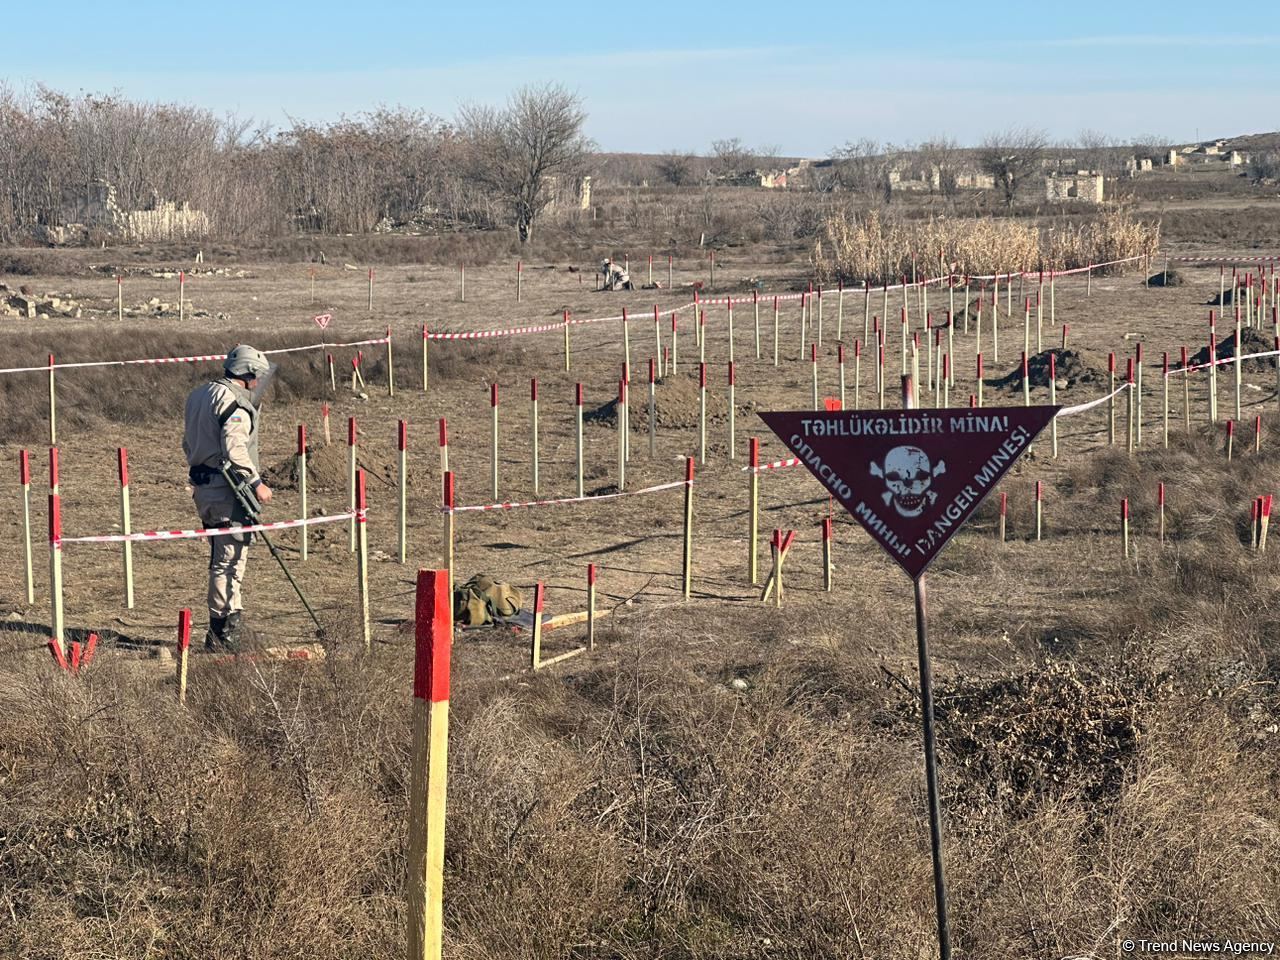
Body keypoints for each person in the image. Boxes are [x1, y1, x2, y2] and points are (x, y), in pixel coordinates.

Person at [182, 344, 274, 650]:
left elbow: (188, 443)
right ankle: (224, 633)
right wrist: (256, 482)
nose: (259, 382)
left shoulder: (199, 395)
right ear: (247, 373)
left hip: (204, 489)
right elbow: (235, 449)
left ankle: (224, 626)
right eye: (257, 376)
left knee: (221, 558)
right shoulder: (234, 402)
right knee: (229, 561)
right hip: (227, 492)